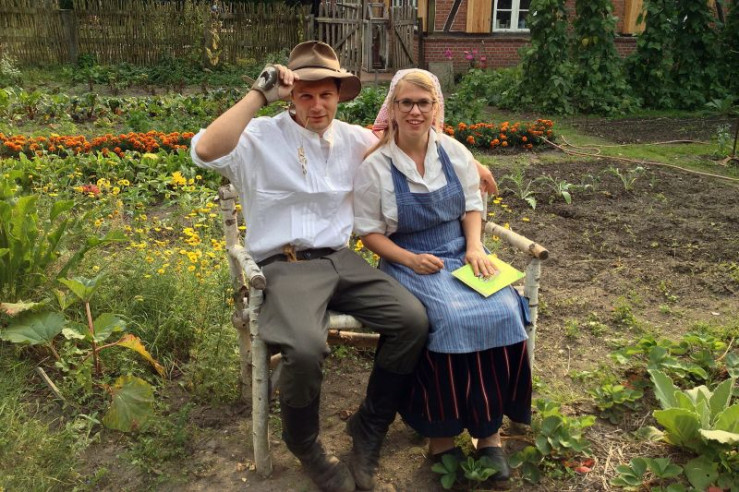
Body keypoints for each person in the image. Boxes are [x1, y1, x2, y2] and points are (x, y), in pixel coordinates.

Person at [191, 41, 431, 492]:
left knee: (412, 320)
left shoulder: (355, 140)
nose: (317, 105)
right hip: (286, 265)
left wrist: (472, 163)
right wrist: (259, 94)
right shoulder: (259, 137)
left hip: (341, 259)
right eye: (306, 95)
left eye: (326, 94)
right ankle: (304, 443)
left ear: (339, 96)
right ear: (290, 96)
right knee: (303, 349)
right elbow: (204, 150)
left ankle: (369, 425)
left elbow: (415, 142)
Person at [353, 69, 533, 485]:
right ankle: (441, 438)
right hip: (408, 259)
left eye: (424, 103)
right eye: (406, 103)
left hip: (460, 251)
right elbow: (370, 234)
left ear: (436, 108)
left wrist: (475, 247)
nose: (415, 111)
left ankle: (489, 435)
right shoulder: (377, 166)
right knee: (451, 318)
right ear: (393, 109)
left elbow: (472, 207)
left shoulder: (453, 151)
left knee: (505, 310)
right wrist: (410, 259)